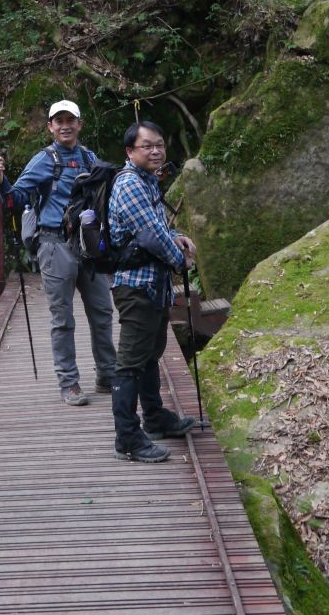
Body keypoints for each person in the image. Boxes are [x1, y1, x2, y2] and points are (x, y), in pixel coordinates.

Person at [0, 100, 116, 406]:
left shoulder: (89, 158)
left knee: (102, 311)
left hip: (88, 245)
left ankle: (107, 375)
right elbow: (15, 199)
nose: (65, 125)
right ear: (50, 127)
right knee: (63, 318)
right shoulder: (43, 160)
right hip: (54, 243)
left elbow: (105, 196)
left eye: (70, 120)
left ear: (79, 124)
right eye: (58, 121)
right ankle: (69, 382)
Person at [108, 121, 197, 462]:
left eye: (159, 144)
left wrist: (178, 239)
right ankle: (128, 438)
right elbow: (148, 235)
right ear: (130, 151)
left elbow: (158, 230)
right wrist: (180, 259)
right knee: (130, 361)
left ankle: (156, 418)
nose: (156, 150)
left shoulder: (148, 181)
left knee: (149, 354)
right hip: (135, 286)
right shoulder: (130, 183)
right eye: (147, 146)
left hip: (152, 285)